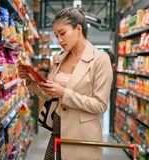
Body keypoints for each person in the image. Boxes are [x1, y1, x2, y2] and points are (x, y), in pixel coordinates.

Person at [18, 7, 113, 160]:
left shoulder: (100, 59)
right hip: (57, 130)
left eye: (63, 33)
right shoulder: (58, 57)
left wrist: (64, 94)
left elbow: (100, 105)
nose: (59, 40)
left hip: (82, 136)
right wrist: (30, 80)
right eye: (56, 35)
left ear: (78, 29)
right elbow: (50, 93)